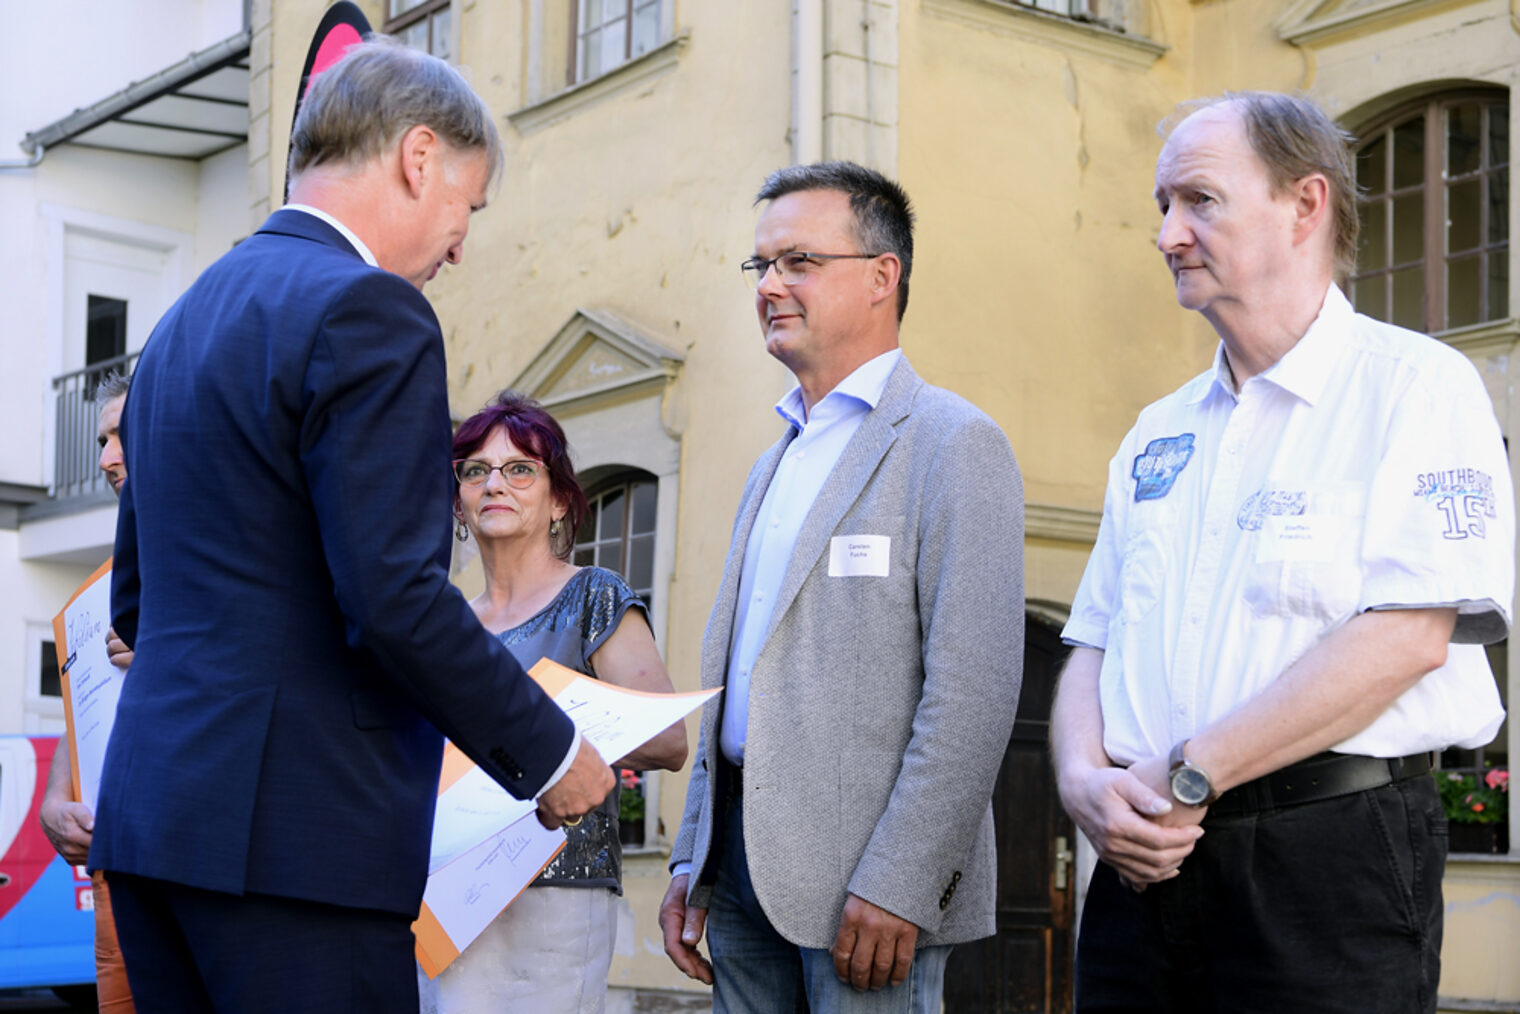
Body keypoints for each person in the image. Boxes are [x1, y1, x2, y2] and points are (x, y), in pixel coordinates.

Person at [91, 37, 613, 1014]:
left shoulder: (178, 328)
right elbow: (391, 596)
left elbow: (136, 601)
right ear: (419, 158)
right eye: (468, 205)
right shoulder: (368, 309)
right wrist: (547, 753)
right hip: (296, 849)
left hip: (154, 828)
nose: (459, 243)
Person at [1051, 91, 1514, 1014]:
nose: (1168, 234)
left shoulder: (1416, 389)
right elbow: (1092, 636)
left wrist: (1191, 775)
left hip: (1327, 862)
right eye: (1162, 206)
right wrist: (1081, 786)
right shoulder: (1156, 433)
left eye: (1200, 200)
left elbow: (1409, 636)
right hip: (1142, 871)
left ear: (1306, 204)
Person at [659, 161, 1025, 1013]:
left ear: (880, 276)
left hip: (867, 891)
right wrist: (692, 856)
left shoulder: (953, 444)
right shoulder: (774, 456)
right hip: (744, 869)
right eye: (762, 267)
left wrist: (903, 878)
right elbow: (742, 677)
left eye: (799, 261)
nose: (771, 286)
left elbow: (973, 693)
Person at [418, 392, 687, 1013]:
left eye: (520, 469)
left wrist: (533, 735)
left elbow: (668, 740)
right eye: (475, 471)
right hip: (451, 890)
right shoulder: (444, 623)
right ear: (457, 499)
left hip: (558, 892)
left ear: (559, 498)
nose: (495, 484)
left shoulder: (593, 594)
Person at [39, 370, 135, 1013]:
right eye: (101, 441)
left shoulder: (227, 555)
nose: (105, 460)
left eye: (120, 436)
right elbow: (83, 716)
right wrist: (51, 803)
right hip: (113, 883)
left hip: (194, 878)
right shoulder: (95, 590)